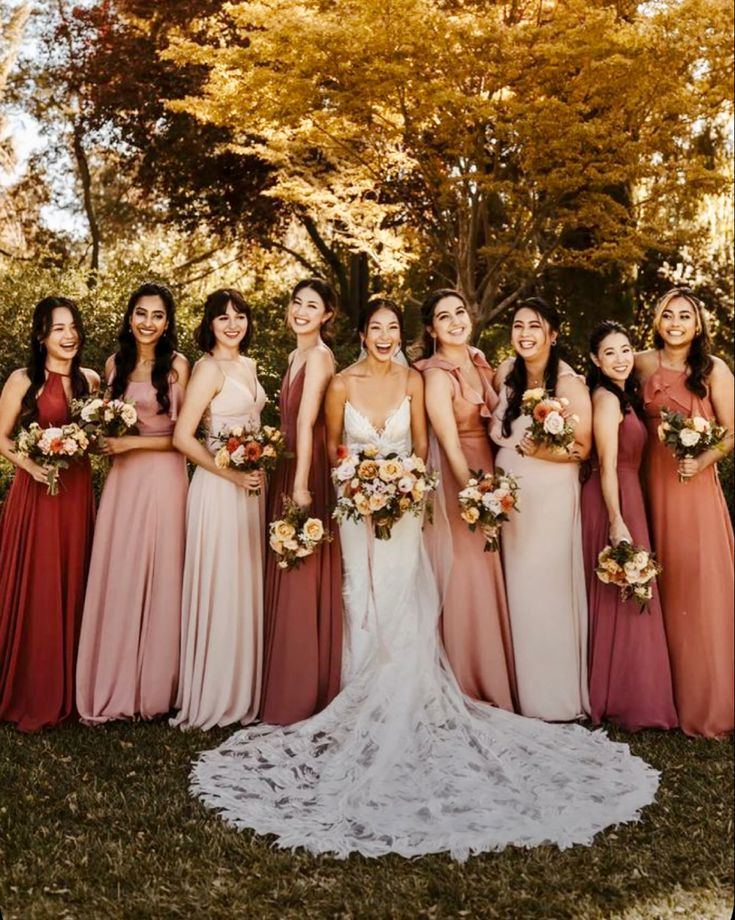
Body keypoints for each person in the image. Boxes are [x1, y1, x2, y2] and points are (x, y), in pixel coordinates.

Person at [184, 298, 658, 861]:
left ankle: (408, 687)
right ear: (361, 333)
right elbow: (338, 447)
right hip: (357, 505)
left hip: (406, 501)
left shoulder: (416, 379)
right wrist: (358, 486)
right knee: (358, 591)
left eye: (392, 328)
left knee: (404, 588)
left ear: (401, 335)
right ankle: (359, 688)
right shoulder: (340, 382)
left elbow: (419, 446)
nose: (384, 336)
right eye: (375, 327)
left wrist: (403, 488)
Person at [76, 282, 190, 724]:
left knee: (162, 572)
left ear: (167, 322)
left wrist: (131, 447)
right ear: (129, 318)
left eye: (157, 315)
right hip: (123, 483)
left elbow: (184, 440)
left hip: (162, 479)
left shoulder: (178, 366)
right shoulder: (114, 364)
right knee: (120, 569)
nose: (148, 323)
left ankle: (158, 688)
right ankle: (115, 678)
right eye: (141, 313)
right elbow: (107, 422)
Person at [636, 287, 734, 737]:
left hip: (693, 489)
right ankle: (659, 695)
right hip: (648, 486)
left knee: (698, 588)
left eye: (684, 316)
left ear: (698, 325)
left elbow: (731, 434)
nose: (675, 323)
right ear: (657, 321)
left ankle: (705, 700)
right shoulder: (640, 363)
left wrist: (704, 459)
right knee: (659, 581)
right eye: (667, 315)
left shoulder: (714, 370)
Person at [414, 289, 516, 710]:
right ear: (431, 328)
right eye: (444, 316)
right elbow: (449, 441)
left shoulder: (477, 359)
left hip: (488, 470)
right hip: (460, 480)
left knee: (487, 569)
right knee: (465, 574)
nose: (455, 321)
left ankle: (493, 676)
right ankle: (467, 680)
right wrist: (475, 495)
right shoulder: (436, 375)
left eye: (459, 312)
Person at [490, 298, 591, 721]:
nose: (525, 333)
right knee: (517, 590)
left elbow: (581, 448)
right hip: (512, 497)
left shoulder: (568, 384)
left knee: (544, 590)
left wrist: (541, 451)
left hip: (550, 495)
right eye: (518, 326)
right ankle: (518, 690)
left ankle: (552, 699)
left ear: (552, 334)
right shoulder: (504, 374)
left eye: (535, 326)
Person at [0, 297, 97, 731]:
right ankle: (30, 686)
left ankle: (76, 686)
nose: (69, 335)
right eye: (59, 328)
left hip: (76, 495)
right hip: (37, 494)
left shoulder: (91, 381)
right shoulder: (24, 380)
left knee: (74, 577)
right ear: (42, 336)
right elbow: (1, 438)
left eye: (73, 326)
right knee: (37, 582)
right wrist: (32, 464)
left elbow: (97, 435)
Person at [171, 289, 266, 730]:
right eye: (223, 317)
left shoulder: (248, 365)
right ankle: (214, 693)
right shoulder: (207, 369)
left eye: (240, 316)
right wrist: (231, 475)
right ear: (209, 324)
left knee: (244, 584)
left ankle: (244, 689)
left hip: (250, 487)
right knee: (221, 583)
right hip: (218, 486)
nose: (232, 324)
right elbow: (184, 438)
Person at [581, 320, 677, 731]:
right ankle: (623, 696)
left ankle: (633, 689)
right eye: (610, 353)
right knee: (622, 591)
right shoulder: (604, 400)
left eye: (625, 350)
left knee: (630, 590)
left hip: (628, 493)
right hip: (612, 498)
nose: (620, 359)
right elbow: (605, 466)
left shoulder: (624, 397)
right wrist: (617, 520)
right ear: (595, 361)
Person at [259, 279, 343, 724]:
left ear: (327, 315)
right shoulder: (294, 355)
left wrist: (302, 485)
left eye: (313, 306)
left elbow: (309, 423)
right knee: (288, 568)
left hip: (305, 470)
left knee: (302, 572)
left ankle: (300, 689)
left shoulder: (320, 356)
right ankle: (282, 679)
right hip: (288, 463)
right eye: (297, 303)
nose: (302, 311)